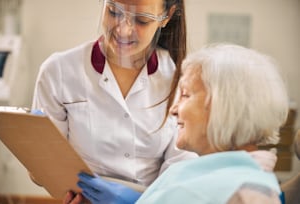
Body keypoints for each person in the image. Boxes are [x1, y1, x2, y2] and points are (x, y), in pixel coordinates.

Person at [77, 44, 288, 203]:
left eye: (185, 95)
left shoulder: (248, 194)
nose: (173, 109)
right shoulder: (204, 173)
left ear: (224, 107)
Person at [32, 0, 198, 202]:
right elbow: (42, 169)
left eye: (142, 20)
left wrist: (139, 200)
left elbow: (182, 169)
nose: (123, 29)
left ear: (167, 17)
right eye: (113, 12)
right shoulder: (58, 71)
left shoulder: (181, 79)